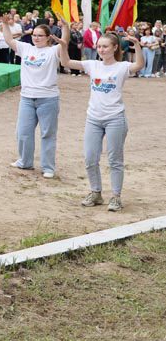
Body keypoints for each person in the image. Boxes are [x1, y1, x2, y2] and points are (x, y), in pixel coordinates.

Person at [56, 25, 143, 211]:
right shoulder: (92, 65)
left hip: (115, 119)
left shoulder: (122, 67)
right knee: (90, 158)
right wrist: (63, 46)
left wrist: (137, 46)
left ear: (114, 48)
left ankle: (116, 197)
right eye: (99, 46)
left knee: (115, 160)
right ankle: (96, 193)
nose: (101, 49)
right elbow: (66, 63)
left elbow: (139, 66)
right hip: (93, 119)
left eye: (105, 46)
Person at [2, 18, 61, 178]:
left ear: (48, 37)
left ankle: (48, 167)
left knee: (47, 134)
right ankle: (25, 161)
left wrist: (66, 28)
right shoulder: (26, 48)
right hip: (27, 98)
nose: (36, 38)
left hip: (48, 98)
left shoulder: (54, 51)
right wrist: (6, 25)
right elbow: (8, 39)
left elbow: (65, 43)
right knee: (23, 132)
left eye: (40, 35)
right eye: (34, 35)